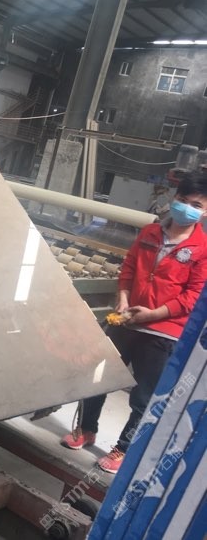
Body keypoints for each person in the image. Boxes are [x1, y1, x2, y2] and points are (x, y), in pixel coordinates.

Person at [60, 173, 207, 473]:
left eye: (196, 205)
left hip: (163, 332)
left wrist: (153, 314)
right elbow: (129, 267)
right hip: (126, 320)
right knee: (98, 377)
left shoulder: (203, 248)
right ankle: (86, 429)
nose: (186, 208)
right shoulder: (151, 232)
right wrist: (123, 297)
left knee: (143, 396)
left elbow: (194, 297)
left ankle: (123, 449)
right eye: (183, 200)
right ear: (174, 198)